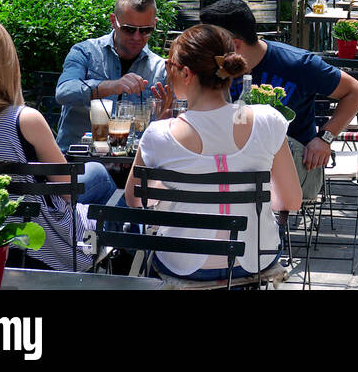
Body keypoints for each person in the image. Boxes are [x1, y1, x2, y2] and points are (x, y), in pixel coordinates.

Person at [0, 18, 116, 271]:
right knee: (102, 181)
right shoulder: (24, 120)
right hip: (40, 247)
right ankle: (102, 258)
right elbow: (69, 192)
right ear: (5, 64)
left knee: (95, 175)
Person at [125, 24, 302, 281]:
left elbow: (137, 201)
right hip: (255, 258)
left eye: (169, 66)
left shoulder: (159, 134)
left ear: (186, 73)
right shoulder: (268, 120)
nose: (167, 72)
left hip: (182, 260)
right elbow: (290, 202)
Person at [200, 0, 358, 204]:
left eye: (210, 43)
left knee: (268, 132)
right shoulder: (212, 68)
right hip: (236, 169)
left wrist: (325, 138)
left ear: (234, 45)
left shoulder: (297, 64)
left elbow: (357, 92)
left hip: (296, 170)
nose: (206, 49)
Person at [53, 0, 168, 149]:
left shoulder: (160, 69)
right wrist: (111, 86)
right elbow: (64, 91)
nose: (137, 37)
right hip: (81, 162)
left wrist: (166, 113)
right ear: (113, 21)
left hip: (133, 166)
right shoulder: (85, 52)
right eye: (129, 29)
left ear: (154, 24)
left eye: (146, 30)